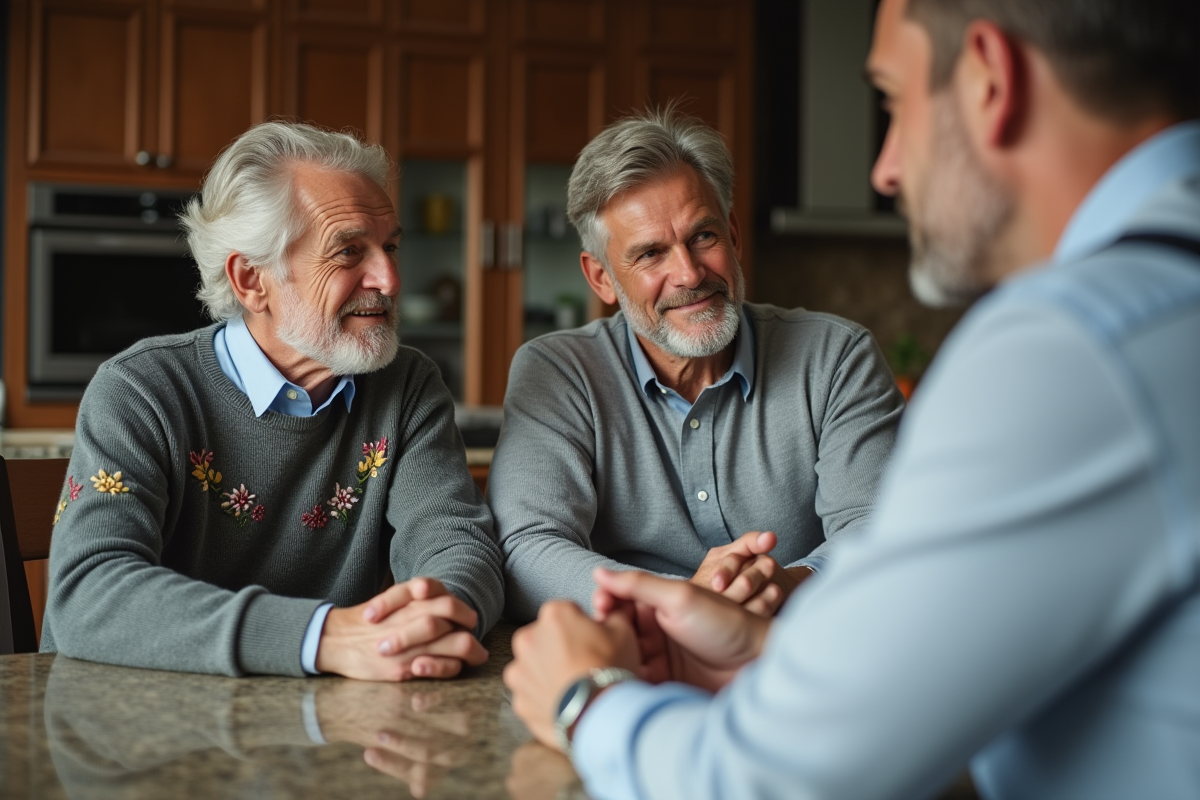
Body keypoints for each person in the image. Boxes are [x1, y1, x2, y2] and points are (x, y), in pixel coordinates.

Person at [503, 0, 1200, 797]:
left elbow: (765, 779)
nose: (885, 170)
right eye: (652, 253)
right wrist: (755, 645)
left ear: (990, 78)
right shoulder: (1146, 311)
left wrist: (586, 699)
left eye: (892, 103)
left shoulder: (1065, 351)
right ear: (601, 277)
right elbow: (960, 668)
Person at [42, 122, 505, 681]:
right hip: (140, 717)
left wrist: (435, 622)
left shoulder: (406, 385)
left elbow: (456, 541)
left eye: (389, 247)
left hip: (335, 716)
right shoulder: (142, 391)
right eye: (349, 251)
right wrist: (322, 637)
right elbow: (89, 594)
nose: (389, 279)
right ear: (251, 279)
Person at [490, 109, 904, 621]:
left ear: (733, 235)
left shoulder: (837, 357)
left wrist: (789, 585)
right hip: (636, 651)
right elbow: (527, 550)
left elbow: (881, 528)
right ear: (601, 278)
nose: (688, 273)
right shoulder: (558, 373)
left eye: (703, 236)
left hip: (798, 639)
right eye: (650, 254)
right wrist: (689, 601)